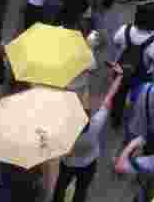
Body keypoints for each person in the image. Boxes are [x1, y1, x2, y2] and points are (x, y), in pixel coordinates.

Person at [53, 64, 124, 202]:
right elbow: (109, 96)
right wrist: (119, 77)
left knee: (60, 188)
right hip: (88, 164)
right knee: (81, 190)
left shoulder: (66, 132)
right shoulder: (96, 124)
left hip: (68, 164)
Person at [109, 16, 154, 129]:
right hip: (142, 76)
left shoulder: (124, 29)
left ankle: (116, 120)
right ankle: (136, 121)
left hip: (121, 71)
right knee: (140, 98)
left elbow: (116, 42)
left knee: (118, 96)